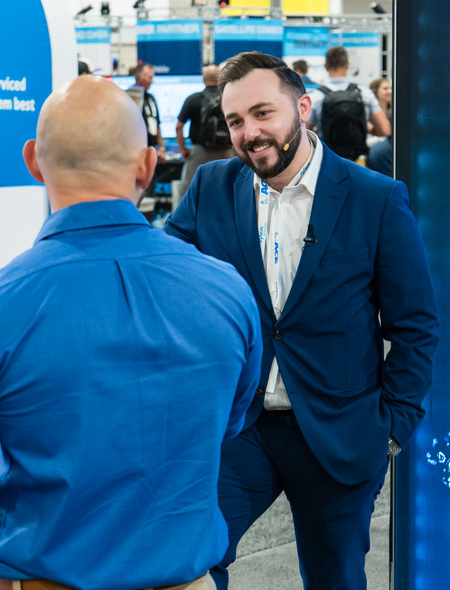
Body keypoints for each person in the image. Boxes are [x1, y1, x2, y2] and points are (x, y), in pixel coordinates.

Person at [165, 51, 439, 590]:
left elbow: (415, 325)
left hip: (339, 432)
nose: (250, 133)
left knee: (334, 578)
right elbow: (164, 280)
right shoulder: (211, 188)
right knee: (189, 559)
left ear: (303, 108)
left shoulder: (375, 200)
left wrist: (392, 428)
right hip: (242, 429)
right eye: (237, 120)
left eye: (263, 113)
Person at [0, 76, 262, 590]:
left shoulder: (9, 302)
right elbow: (229, 423)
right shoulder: (227, 291)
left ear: (33, 161)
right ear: (147, 165)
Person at [308, 46, 391, 160]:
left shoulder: (316, 97)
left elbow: (305, 133)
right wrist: (367, 129)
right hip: (358, 161)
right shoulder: (364, 94)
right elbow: (384, 129)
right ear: (347, 64)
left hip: (327, 160)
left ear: (326, 67)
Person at [176, 64, 234, 196]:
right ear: (220, 78)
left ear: (203, 79)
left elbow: (179, 126)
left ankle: (184, 216)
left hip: (200, 152)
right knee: (227, 188)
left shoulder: (194, 99)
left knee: (188, 188)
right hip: (227, 152)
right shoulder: (229, 98)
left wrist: (183, 149)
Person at [133, 61, 166, 162]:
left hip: (151, 150)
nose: (152, 81)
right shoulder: (130, 96)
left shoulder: (151, 98)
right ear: (140, 78)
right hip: (135, 151)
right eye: (150, 77)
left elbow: (157, 125)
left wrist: (162, 149)